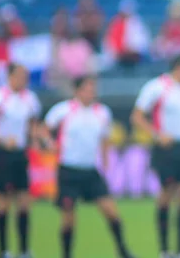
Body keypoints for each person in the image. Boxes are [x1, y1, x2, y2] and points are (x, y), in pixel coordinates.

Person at [40, 76, 136, 258]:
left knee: (111, 211)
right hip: (69, 169)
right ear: (77, 91)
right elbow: (44, 129)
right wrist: (49, 142)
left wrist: (106, 163)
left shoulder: (102, 112)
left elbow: (105, 139)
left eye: (93, 89)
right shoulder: (63, 110)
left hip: (91, 170)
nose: (91, 93)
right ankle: (66, 254)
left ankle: (122, 249)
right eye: (87, 89)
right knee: (68, 218)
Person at [130, 53, 180, 258]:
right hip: (166, 149)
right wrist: (156, 135)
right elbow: (137, 116)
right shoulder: (157, 87)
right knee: (167, 195)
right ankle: (164, 249)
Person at [0, 63, 41, 258]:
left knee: (23, 201)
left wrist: (35, 139)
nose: (24, 79)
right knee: (3, 201)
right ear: (11, 76)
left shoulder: (30, 98)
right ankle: (3, 250)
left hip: (20, 153)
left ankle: (23, 250)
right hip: (2, 152)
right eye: (21, 75)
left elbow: (33, 122)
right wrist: (2, 138)